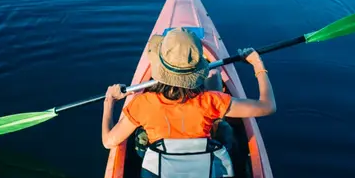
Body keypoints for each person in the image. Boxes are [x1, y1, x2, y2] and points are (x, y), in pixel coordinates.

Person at [100, 27, 277, 155]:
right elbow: (268, 106)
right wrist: (257, 64)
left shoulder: (142, 104)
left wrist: (110, 102)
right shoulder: (213, 101)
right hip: (205, 172)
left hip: (160, 173)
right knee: (224, 124)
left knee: (140, 135)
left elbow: (108, 142)